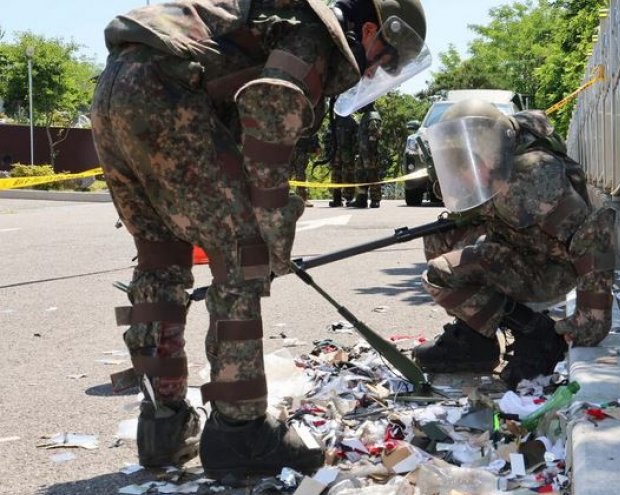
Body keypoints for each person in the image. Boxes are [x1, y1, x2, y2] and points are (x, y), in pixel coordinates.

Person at [90, 0, 428, 478]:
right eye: (385, 57)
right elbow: (270, 101)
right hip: (167, 91)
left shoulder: (273, 17)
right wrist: (270, 225)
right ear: (370, 29)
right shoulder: (316, 32)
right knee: (242, 258)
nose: (379, 69)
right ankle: (241, 432)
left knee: (160, 256)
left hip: (115, 89)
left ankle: (163, 427)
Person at [412, 99, 615, 388]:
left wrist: (590, 320)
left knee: (441, 273)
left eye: (466, 164)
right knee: (438, 237)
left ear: (490, 154)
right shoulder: (496, 172)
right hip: (522, 250)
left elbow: (593, 234)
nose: (461, 175)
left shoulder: (530, 178)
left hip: (551, 269)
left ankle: (536, 333)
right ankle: (475, 341)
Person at [349, 103, 384, 208]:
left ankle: (375, 199)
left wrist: (370, 154)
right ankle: (361, 199)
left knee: (372, 175)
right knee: (360, 175)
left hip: (370, 154)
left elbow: (374, 136)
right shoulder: (366, 116)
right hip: (363, 153)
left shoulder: (372, 116)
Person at [327, 112, 359, 207]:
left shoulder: (353, 122)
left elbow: (357, 139)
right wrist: (329, 151)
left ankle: (349, 198)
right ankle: (336, 198)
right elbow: (329, 137)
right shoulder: (335, 121)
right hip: (336, 152)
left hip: (348, 153)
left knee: (349, 175)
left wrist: (354, 152)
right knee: (336, 175)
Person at [291, 134, 321, 206]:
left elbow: (312, 131)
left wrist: (317, 146)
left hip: (302, 151)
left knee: (301, 176)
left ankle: (302, 199)